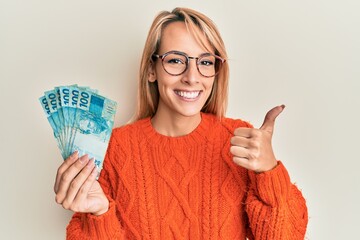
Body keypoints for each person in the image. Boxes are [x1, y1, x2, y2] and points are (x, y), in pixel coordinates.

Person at [54, 7, 308, 239]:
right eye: (176, 60)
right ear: (151, 70)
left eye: (205, 62)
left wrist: (268, 173)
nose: (192, 77)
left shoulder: (239, 140)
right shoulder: (113, 149)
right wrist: (99, 215)